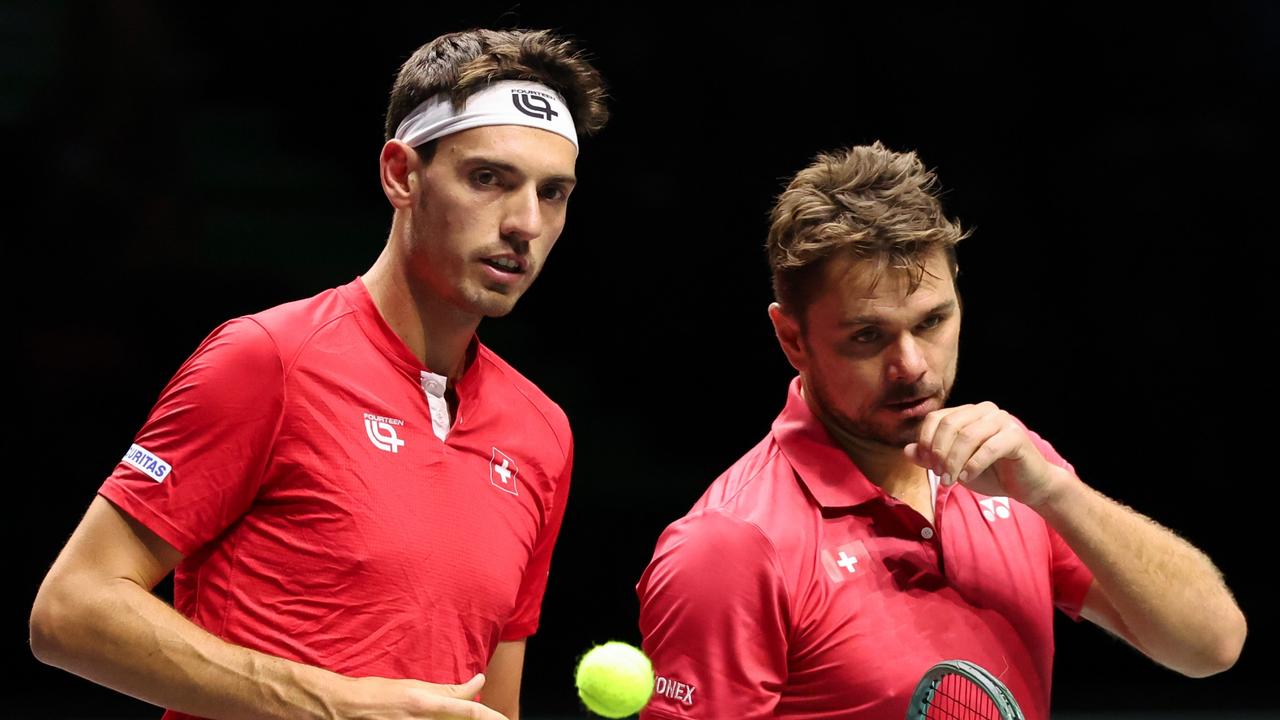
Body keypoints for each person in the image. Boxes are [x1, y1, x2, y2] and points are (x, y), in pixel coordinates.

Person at [30, 28, 608, 720]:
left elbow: (494, 705)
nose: (525, 223)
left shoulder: (542, 432)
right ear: (402, 174)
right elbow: (69, 611)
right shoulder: (266, 359)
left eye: (553, 194)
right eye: (489, 178)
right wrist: (335, 704)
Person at [635, 142, 1245, 720]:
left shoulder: (1011, 471)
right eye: (867, 336)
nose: (913, 366)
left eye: (932, 321)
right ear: (792, 339)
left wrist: (1055, 493)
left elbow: (1210, 646)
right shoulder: (733, 545)